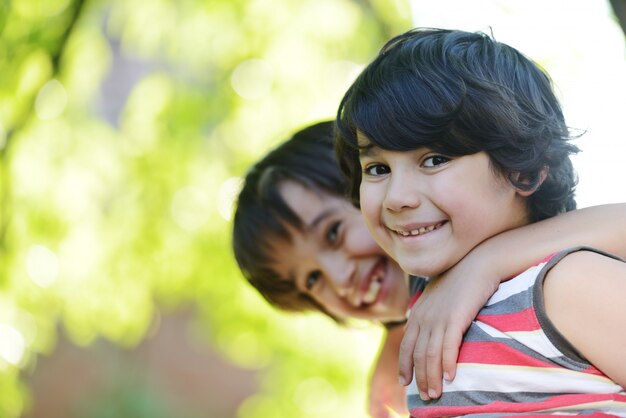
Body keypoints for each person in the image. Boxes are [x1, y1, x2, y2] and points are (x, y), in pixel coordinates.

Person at [233, 120, 626, 417]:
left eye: (334, 233)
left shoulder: (546, 284)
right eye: (311, 280)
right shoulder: (412, 357)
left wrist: (483, 264)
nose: (339, 277)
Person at [335, 27, 626, 416]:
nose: (396, 198)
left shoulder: (564, 285)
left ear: (523, 170)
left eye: (435, 159)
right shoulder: (426, 303)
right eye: (377, 168)